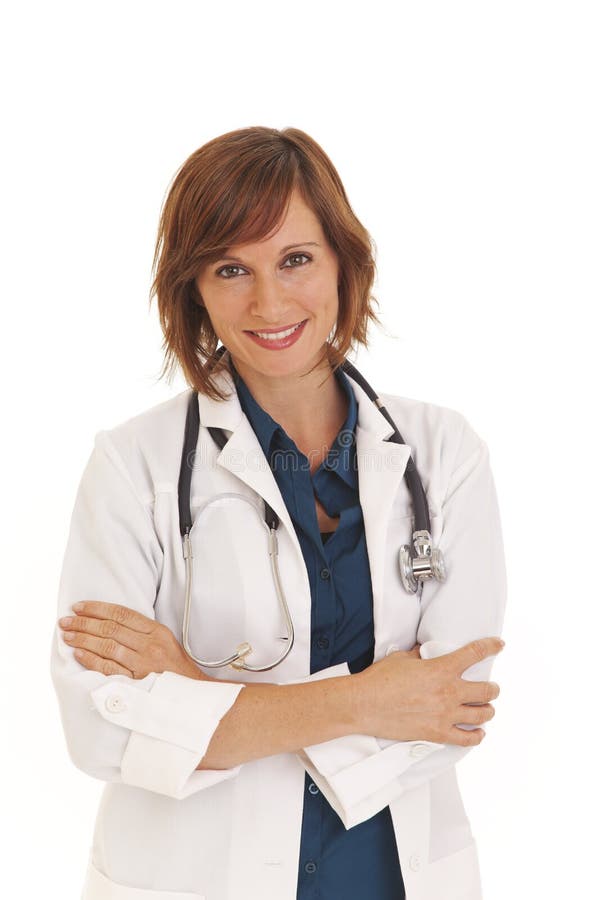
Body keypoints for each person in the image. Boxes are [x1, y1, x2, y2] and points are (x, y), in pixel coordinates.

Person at [50, 125, 507, 900]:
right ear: (194, 289)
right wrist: (367, 701)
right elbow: (101, 727)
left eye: (296, 259)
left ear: (343, 263)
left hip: (390, 876)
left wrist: (200, 705)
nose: (268, 302)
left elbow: (452, 709)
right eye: (231, 269)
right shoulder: (133, 465)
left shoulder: (443, 453)